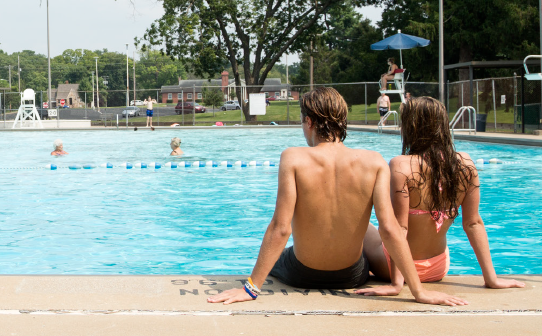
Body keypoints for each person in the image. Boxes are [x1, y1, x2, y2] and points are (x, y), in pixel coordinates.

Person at [207, 87, 466, 306]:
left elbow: (280, 228)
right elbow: (391, 229)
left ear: (309, 122)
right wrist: (418, 291)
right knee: (366, 232)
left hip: (302, 274)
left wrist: (250, 289)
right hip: (352, 276)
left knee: (281, 252)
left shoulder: (293, 158)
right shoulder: (374, 162)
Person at [355, 97, 525, 295]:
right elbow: (473, 223)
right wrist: (491, 279)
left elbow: (401, 229)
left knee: (360, 222)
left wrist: (396, 284)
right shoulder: (466, 164)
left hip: (395, 267)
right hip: (438, 267)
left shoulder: (401, 165)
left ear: (411, 127)